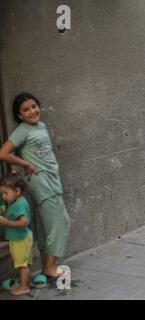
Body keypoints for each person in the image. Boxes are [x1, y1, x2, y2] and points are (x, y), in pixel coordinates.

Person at [0, 93, 70, 287]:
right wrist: (26, 165)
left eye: (34, 106)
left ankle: (48, 266)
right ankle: (50, 267)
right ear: (19, 115)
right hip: (41, 183)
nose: (32, 111)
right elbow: (3, 153)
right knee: (60, 222)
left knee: (49, 224)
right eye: (26, 109)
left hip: (52, 180)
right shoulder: (22, 130)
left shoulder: (41, 126)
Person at [0, 173, 33, 296]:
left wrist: (6, 221)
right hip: (23, 237)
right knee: (24, 263)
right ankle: (26, 283)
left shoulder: (18, 204)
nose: (3, 197)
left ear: (17, 191)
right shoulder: (18, 201)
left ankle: (24, 287)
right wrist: (6, 212)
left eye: (6, 193)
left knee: (22, 265)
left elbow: (24, 222)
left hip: (20, 239)